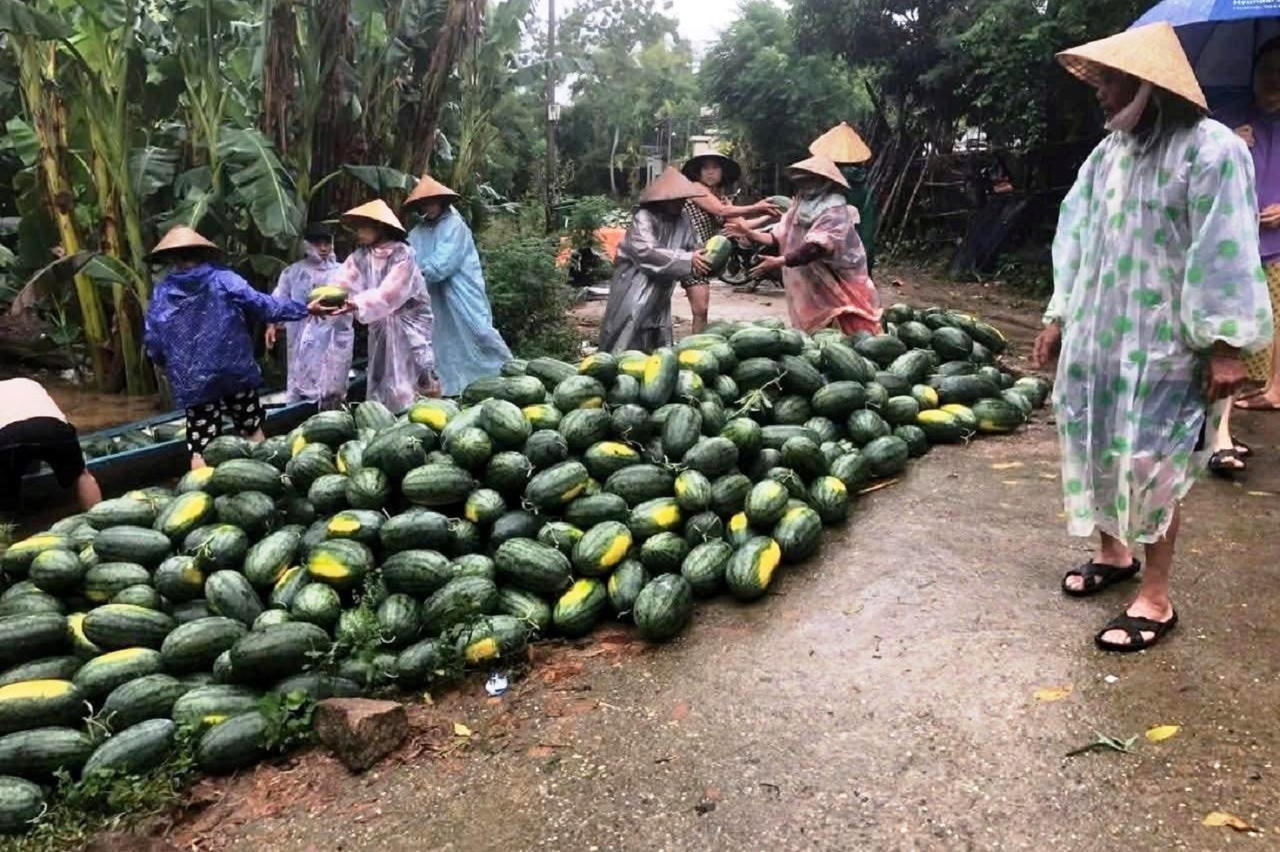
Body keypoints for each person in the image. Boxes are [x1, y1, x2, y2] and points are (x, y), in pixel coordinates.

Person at [1034, 22, 1271, 651]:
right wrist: (1059, 316)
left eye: (1111, 80)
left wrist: (1225, 344)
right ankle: (1114, 555)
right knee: (1098, 442)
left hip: (1168, 344)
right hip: (1099, 336)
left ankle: (1156, 599)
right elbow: (1075, 240)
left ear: (1147, 84)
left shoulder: (1211, 150)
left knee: (1153, 461)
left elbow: (1225, 249)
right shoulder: (1107, 155)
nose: (1101, 94)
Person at [144, 226, 327, 469]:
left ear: (172, 258)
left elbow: (153, 338)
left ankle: (203, 490)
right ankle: (268, 478)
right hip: (233, 371)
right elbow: (263, 305)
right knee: (251, 427)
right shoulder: (224, 278)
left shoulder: (162, 292)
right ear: (202, 253)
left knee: (202, 444)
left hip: (194, 379)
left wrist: (163, 361)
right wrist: (305, 308)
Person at [1207, 37, 1280, 474]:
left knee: (1272, 323)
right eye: (1266, 69)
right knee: (1228, 335)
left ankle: (1269, 392)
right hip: (1230, 245)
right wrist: (1227, 140)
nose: (1273, 78)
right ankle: (1220, 432)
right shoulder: (1227, 117)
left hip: (1277, 244)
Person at [726, 154, 882, 336]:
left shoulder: (834, 209)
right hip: (813, 280)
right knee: (817, 334)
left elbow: (816, 248)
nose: (806, 186)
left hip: (840, 278)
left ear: (825, 182)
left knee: (855, 328)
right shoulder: (800, 205)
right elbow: (780, 236)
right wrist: (749, 233)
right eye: (803, 182)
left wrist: (779, 261)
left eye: (811, 181)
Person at [322, 199, 437, 411]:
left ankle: (416, 421)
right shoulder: (361, 256)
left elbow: (391, 293)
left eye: (363, 226)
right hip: (381, 323)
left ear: (380, 226)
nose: (358, 232)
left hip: (408, 325)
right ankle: (382, 419)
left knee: (411, 380)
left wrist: (356, 303)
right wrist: (323, 301)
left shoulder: (403, 255)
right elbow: (341, 282)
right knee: (382, 378)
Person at [403, 175, 511, 397]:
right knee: (442, 340)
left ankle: (506, 377)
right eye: (424, 203)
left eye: (431, 202)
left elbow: (442, 264)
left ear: (442, 201)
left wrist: (414, 275)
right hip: (433, 296)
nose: (428, 207)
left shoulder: (455, 225)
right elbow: (406, 256)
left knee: (479, 332)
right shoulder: (419, 230)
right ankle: (453, 390)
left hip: (461, 292)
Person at [598, 167, 710, 353]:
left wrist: (704, 257)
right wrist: (688, 259)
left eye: (683, 199)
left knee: (655, 328)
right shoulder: (644, 217)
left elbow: (693, 244)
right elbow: (645, 250)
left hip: (661, 287)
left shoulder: (683, 219)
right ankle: (615, 367)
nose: (680, 203)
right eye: (675, 199)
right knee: (628, 324)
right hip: (634, 283)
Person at [679, 146, 780, 332]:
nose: (710, 172)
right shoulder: (695, 188)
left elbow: (742, 226)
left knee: (701, 310)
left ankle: (697, 345)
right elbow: (721, 211)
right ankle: (694, 346)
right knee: (700, 309)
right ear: (698, 172)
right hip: (689, 251)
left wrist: (769, 214)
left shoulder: (722, 198)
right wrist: (757, 207)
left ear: (722, 172)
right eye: (705, 168)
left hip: (704, 254)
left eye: (715, 168)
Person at [266, 222, 353, 408]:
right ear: (306, 244)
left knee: (332, 386)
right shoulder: (293, 272)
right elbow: (278, 299)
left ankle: (334, 416)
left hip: (334, 338)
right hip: (300, 337)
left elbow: (360, 298)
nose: (322, 248)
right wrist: (272, 325)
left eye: (326, 243)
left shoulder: (344, 271)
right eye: (317, 243)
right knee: (300, 379)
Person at [0, 378, 101, 514]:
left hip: (9, 437)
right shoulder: (28, 382)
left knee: (4, 489)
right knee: (82, 476)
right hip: (53, 428)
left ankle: (9, 528)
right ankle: (97, 516)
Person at [809, 122, 879, 275]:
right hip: (857, 242)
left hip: (830, 245)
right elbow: (867, 230)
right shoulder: (862, 184)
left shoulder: (828, 181)